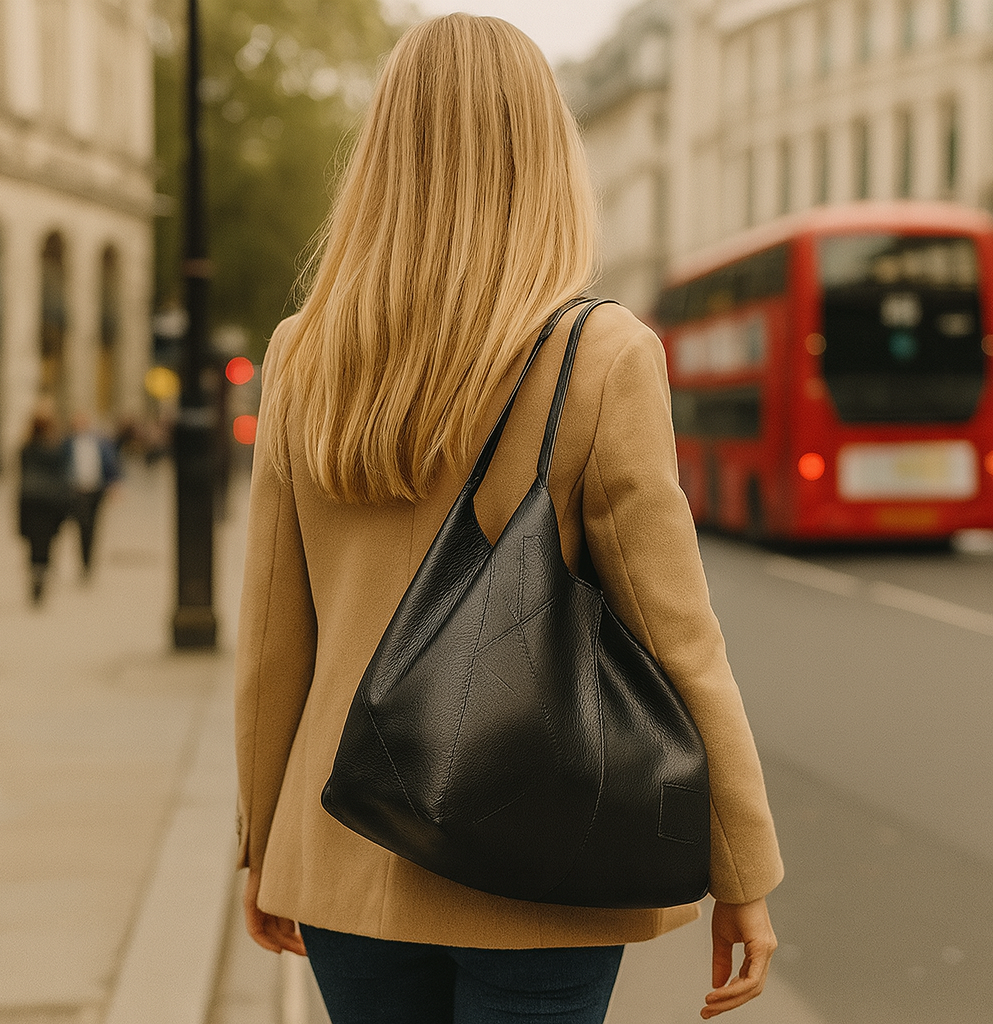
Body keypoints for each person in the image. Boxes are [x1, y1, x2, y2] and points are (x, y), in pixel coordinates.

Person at [235, 15, 783, 1024]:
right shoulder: (601, 356)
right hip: (541, 853)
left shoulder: (301, 353)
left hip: (340, 835)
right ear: (547, 157)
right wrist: (740, 865)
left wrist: (263, 841)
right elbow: (679, 640)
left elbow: (274, 640)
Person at [17, 400, 69, 604]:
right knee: (47, 541)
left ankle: (36, 571)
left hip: (31, 500)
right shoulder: (57, 448)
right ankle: (42, 570)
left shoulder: (26, 448)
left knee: (34, 543)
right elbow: (63, 476)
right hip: (50, 502)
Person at [65, 411, 120, 578]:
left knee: (93, 526)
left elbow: (111, 464)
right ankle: (84, 561)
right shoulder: (67, 444)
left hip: (96, 490)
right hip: (77, 491)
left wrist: (114, 484)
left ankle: (89, 561)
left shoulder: (100, 442)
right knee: (82, 525)